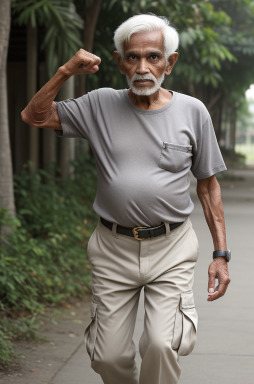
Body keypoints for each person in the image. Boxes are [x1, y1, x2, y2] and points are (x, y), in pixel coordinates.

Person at [21, 13, 231, 384]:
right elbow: (34, 116)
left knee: (161, 344)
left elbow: (208, 186)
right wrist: (65, 71)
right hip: (112, 247)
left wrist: (220, 255)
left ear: (170, 61)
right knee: (109, 356)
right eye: (132, 57)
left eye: (153, 56)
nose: (143, 67)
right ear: (119, 62)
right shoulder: (100, 104)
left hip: (172, 247)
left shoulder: (192, 111)